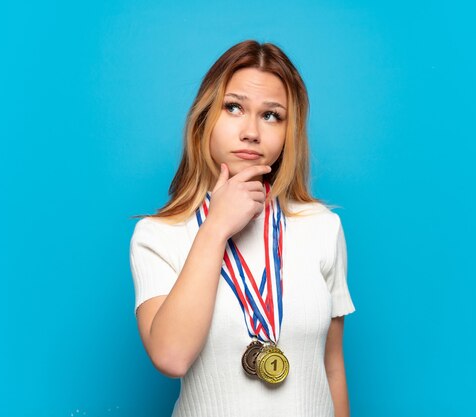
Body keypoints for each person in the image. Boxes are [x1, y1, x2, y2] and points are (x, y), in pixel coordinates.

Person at [129, 40, 356, 417]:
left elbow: (333, 369)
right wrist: (216, 227)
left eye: (271, 115)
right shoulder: (158, 235)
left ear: (289, 132)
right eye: (233, 108)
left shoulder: (322, 227)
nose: (251, 131)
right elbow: (171, 356)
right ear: (205, 118)